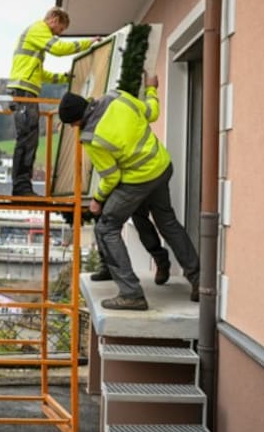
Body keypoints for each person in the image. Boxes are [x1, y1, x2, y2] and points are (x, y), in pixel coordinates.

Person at [58, 74, 200, 310]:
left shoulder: (92, 137)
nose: (74, 128)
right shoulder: (117, 97)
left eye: (72, 124)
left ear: (77, 120)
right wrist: (151, 89)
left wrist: (98, 199)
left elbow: (111, 176)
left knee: (106, 226)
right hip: (161, 166)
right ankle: (197, 280)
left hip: (138, 178)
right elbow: (152, 112)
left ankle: (131, 293)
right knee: (165, 221)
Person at [7, 6, 97, 196]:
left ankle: (22, 186)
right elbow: (58, 49)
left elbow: (40, 74)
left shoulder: (35, 37)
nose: (60, 34)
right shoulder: (39, 29)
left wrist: (64, 78)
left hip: (26, 92)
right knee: (26, 139)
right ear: (54, 19)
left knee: (29, 139)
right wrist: (87, 44)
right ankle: (21, 187)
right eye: (61, 29)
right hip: (23, 92)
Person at [91, 204, 171, 285]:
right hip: (108, 194)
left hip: (130, 192)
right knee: (102, 222)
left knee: (140, 219)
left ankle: (161, 260)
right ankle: (108, 268)